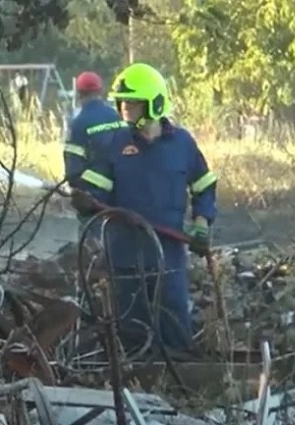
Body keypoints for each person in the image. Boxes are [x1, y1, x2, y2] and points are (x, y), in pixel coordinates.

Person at [78, 62, 218, 353]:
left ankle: (184, 386)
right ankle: (138, 387)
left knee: (175, 324)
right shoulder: (113, 144)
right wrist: (84, 200)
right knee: (131, 330)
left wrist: (202, 222)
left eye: (133, 102)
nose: (126, 108)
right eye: (123, 102)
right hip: (125, 257)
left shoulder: (182, 143)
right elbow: (94, 192)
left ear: (154, 103)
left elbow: (204, 184)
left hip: (169, 255)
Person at [63, 71, 126, 230]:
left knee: (92, 243)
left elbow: (73, 168)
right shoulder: (116, 116)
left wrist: (77, 192)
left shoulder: (79, 123)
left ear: (79, 94)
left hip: (95, 198)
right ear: (100, 90)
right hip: (122, 190)